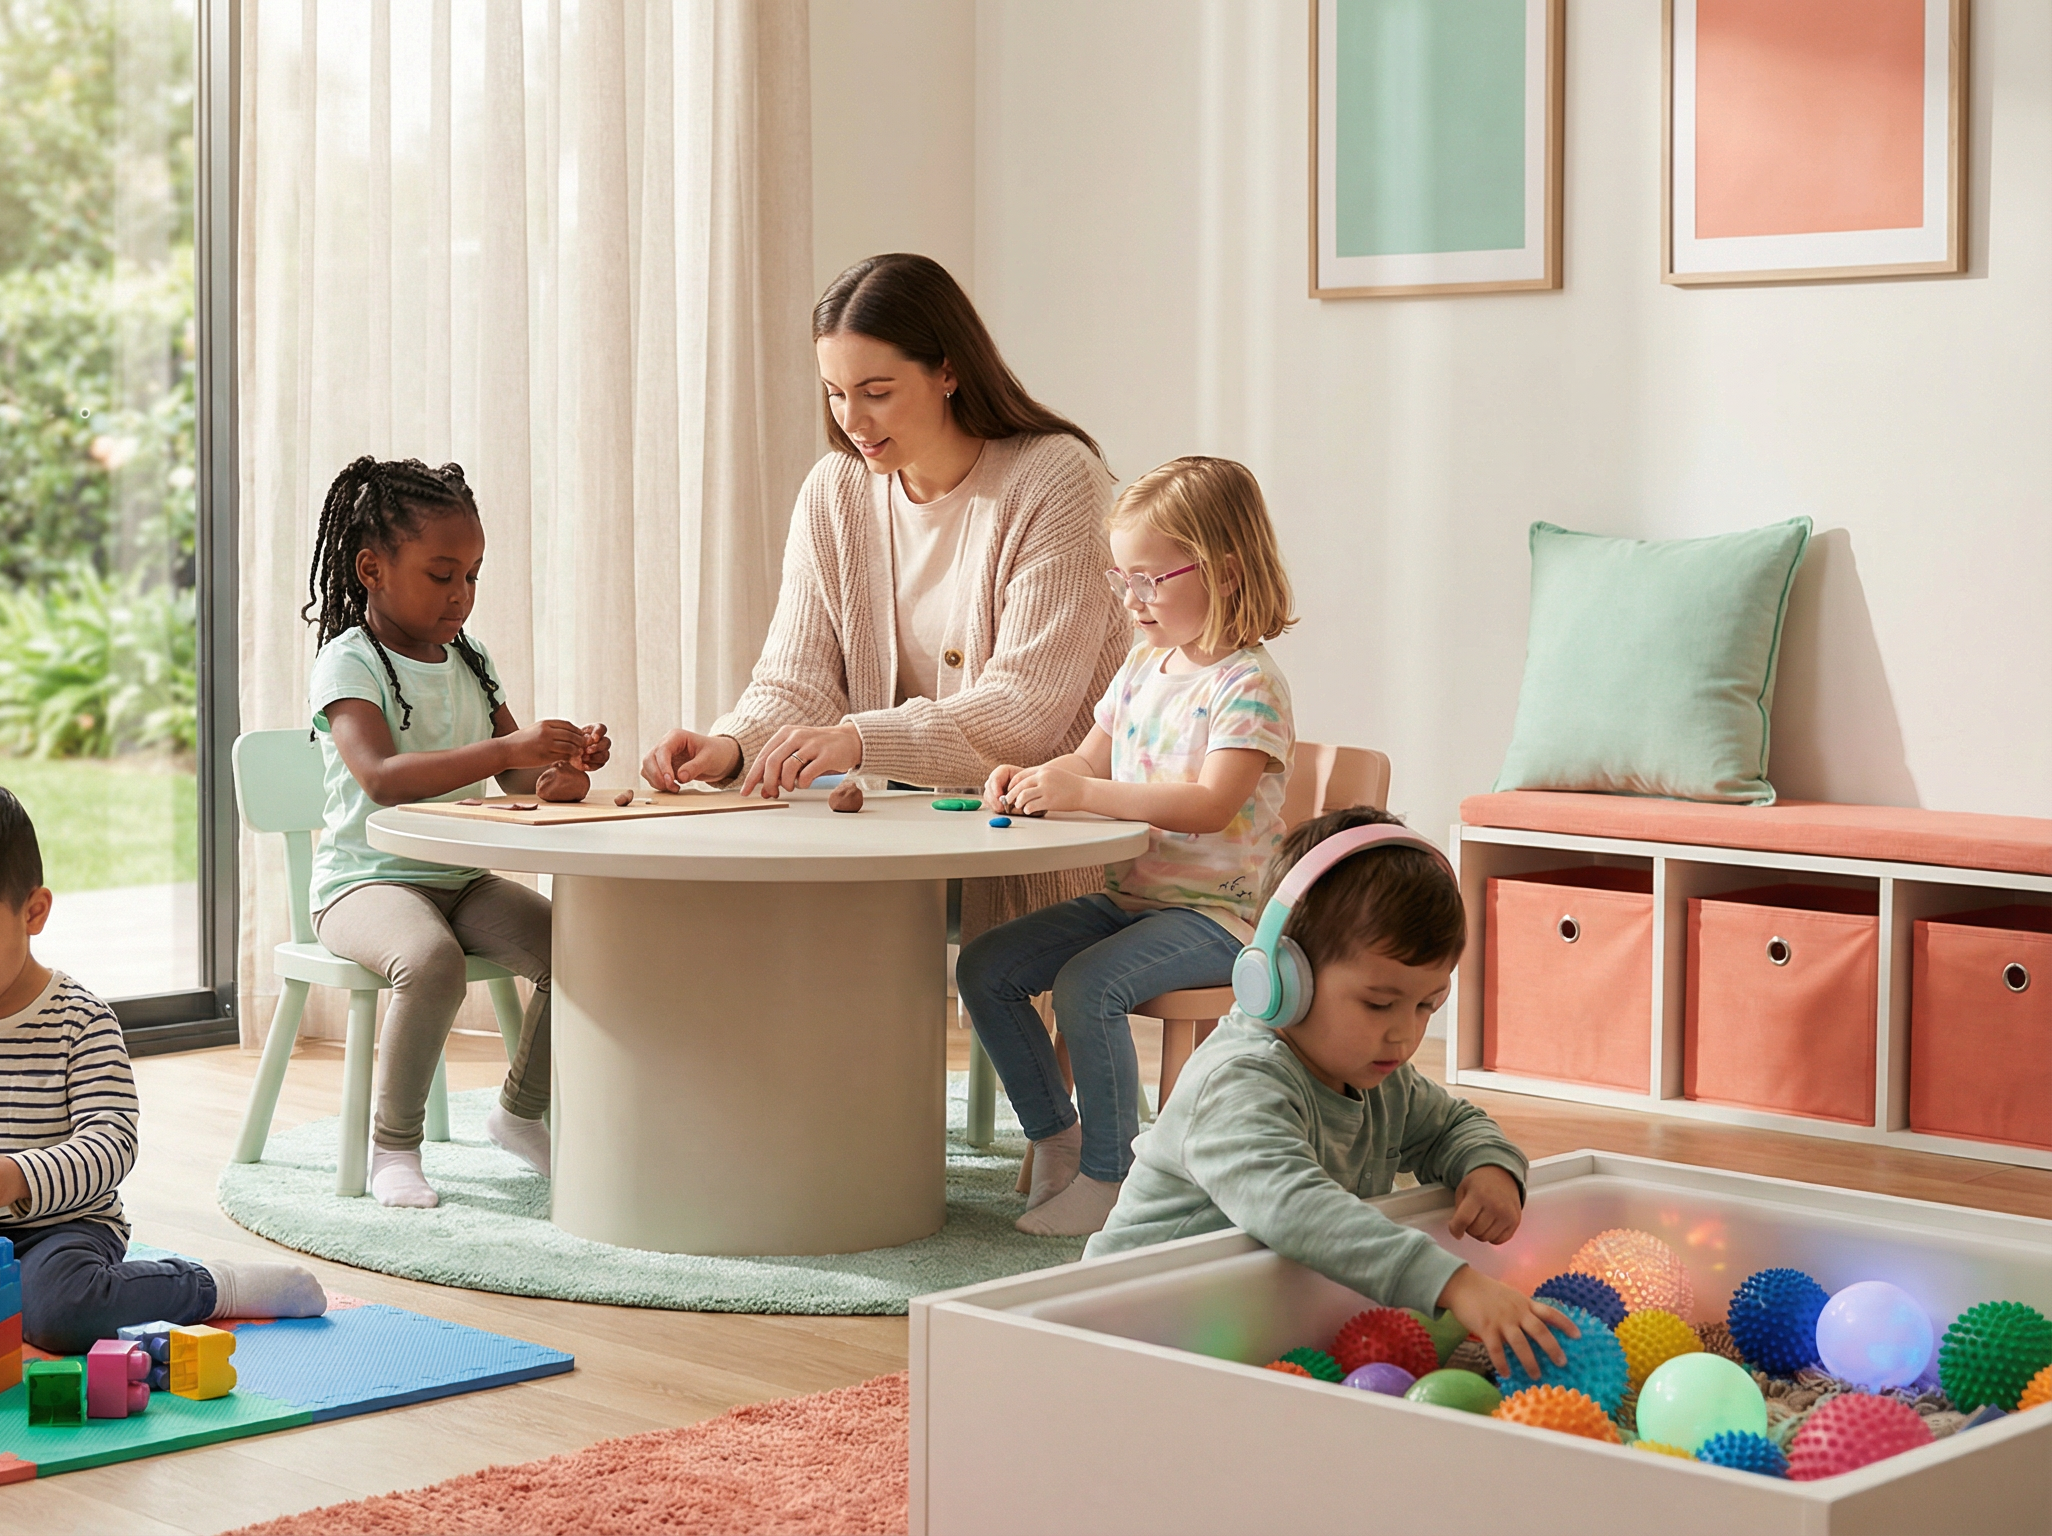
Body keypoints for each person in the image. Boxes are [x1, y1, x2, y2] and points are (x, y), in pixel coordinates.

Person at [639, 252, 1126, 941]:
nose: (852, 421)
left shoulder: (1055, 481)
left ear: (948, 371)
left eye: (876, 391)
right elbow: (796, 681)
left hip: (1034, 841)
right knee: (741, 935)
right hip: (890, 841)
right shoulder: (833, 491)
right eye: (835, 393)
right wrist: (734, 747)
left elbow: (1026, 713)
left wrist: (857, 740)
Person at [0, 778, 327, 1356]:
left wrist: (19, 1177)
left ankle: (212, 1285)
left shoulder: (79, 1021)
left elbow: (111, 1144)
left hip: (59, 1231)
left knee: (59, 1314)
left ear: (33, 912)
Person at [1085, 808, 1582, 1381]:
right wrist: (1453, 1282)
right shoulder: (1236, 1083)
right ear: (1280, 978)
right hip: (1129, 1333)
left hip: (1249, 1326)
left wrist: (1489, 1164)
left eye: (1427, 1005)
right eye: (1378, 1003)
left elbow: (1451, 1125)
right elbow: (1297, 1209)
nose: (1404, 1032)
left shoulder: (1382, 1077)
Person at [956, 456, 1298, 1236]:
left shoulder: (1247, 685)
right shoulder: (1144, 667)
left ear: (1225, 571)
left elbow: (1212, 805)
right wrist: (1041, 777)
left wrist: (1086, 794)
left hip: (1221, 918)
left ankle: (1113, 1178)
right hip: (1133, 901)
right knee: (987, 965)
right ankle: (1058, 1138)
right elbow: (1086, 761)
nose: (1133, 600)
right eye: (1123, 580)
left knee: (1085, 986)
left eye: (1151, 579)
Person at [304, 456, 608, 1209]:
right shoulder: (349, 663)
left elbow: (511, 780)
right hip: (364, 880)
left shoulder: (471, 661)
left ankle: (517, 1115)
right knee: (431, 961)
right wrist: (510, 748)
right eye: (442, 575)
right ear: (371, 568)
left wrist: (557, 770)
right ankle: (393, 1148)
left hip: (457, 877)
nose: (461, 596)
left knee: (586, 950)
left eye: (472, 576)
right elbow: (380, 777)